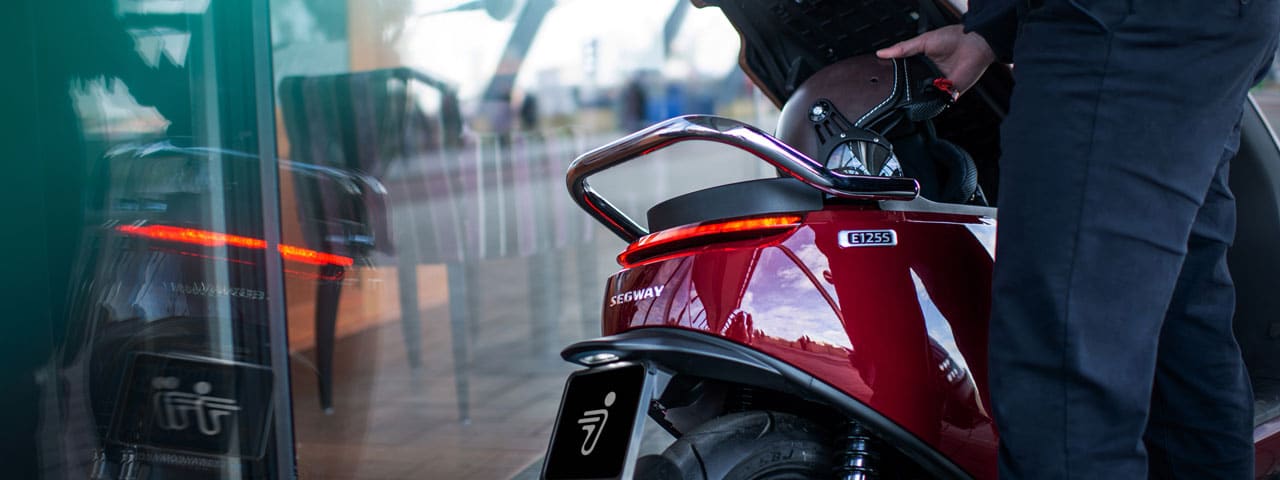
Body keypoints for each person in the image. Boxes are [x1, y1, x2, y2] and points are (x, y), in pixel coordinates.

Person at [877, 1, 1279, 478]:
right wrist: (989, 30)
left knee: (1066, 381)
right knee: (1177, 341)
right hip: (1172, 28)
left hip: (1120, 29)